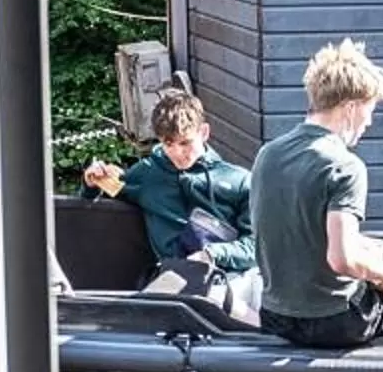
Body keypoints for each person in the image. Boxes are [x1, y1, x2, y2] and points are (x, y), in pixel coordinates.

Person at [247, 40, 383, 347]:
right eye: (369, 110)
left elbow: (292, 231)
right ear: (349, 108)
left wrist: (368, 249)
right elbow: (341, 259)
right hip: (334, 319)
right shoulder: (345, 166)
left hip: (276, 316)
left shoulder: (267, 155)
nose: (370, 121)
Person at [82, 89, 256, 275]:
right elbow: (90, 205)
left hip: (232, 279)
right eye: (168, 144)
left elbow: (257, 248)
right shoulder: (147, 174)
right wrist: (91, 182)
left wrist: (212, 254)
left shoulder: (240, 182)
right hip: (173, 281)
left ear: (204, 132)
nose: (177, 153)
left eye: (185, 143)